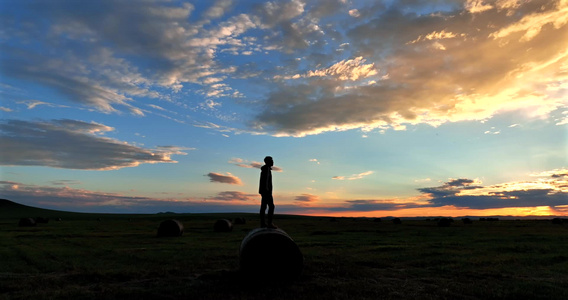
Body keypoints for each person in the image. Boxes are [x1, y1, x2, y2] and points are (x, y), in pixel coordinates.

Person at [259, 156, 277, 228]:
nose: (273, 162)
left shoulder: (266, 169)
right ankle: (269, 224)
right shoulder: (266, 169)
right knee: (271, 206)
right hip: (266, 192)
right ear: (268, 162)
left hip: (264, 191)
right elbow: (265, 181)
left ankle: (263, 223)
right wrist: (267, 190)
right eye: (271, 160)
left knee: (263, 207)